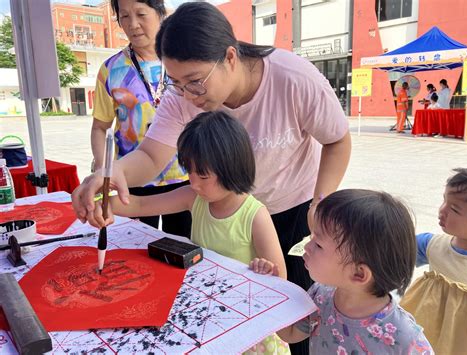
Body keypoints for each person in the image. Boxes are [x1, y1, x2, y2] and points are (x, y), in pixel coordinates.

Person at [73, 4, 351, 353]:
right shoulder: (182, 98)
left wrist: (320, 203)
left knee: (293, 321)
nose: (188, 95)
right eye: (175, 83)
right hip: (224, 211)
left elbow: (337, 139)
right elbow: (150, 156)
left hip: (294, 212)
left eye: (195, 82)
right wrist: (107, 175)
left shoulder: (293, 78)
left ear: (230, 57)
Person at [103, 111, 290, 354]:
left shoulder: (254, 215)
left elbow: (281, 280)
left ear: (232, 168)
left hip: (244, 323)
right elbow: (140, 205)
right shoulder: (194, 198)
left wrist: (265, 270)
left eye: (202, 175)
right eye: (188, 172)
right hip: (206, 312)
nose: (193, 183)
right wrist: (100, 201)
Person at [251, 189, 434, 354]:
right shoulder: (320, 296)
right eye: (311, 237)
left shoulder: (404, 337)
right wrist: (271, 288)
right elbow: (290, 334)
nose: (306, 247)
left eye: (318, 244)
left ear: (359, 274)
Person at [90, 0, 191, 236]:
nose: (133, 24)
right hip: (133, 182)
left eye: (141, 14)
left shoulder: (185, 62)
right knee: (136, 248)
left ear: (161, 13)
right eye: (124, 16)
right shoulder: (111, 69)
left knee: (182, 250)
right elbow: (99, 127)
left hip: (185, 176)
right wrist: (103, 167)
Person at [400, 168, 467, 354]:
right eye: (444, 201)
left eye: (454, 209)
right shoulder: (432, 244)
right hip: (425, 329)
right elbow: (394, 254)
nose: (442, 211)